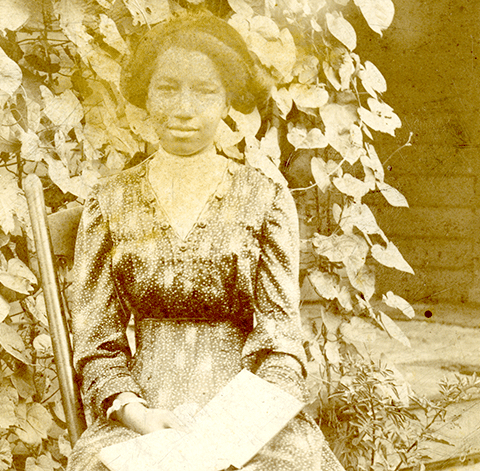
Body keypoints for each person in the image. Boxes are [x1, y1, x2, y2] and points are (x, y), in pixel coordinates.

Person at [67, 11, 345, 471]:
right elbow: (98, 345)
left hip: (249, 414)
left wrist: (234, 429)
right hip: (145, 413)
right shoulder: (109, 201)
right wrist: (137, 415)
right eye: (168, 88)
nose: (184, 108)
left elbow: (280, 340)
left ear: (227, 101)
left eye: (204, 91)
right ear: (146, 96)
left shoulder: (265, 197)